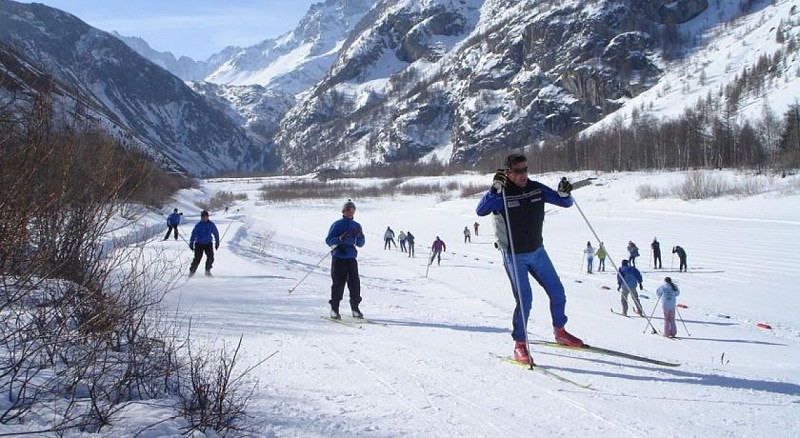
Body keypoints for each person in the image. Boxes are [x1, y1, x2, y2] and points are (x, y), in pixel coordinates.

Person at [476, 153, 583, 365]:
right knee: (525, 300)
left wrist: (564, 194)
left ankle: (560, 331)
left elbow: (565, 203)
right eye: (518, 171)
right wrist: (493, 190)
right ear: (507, 173)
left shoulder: (536, 188)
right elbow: (481, 210)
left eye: (525, 169)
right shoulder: (503, 195)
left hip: (537, 251)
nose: (523, 174)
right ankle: (520, 345)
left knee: (557, 292)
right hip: (514, 255)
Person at [325, 199, 365, 319]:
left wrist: (359, 237)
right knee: (338, 284)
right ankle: (334, 309)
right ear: (343, 211)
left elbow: (361, 243)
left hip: (351, 258)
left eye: (352, 209)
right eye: (348, 209)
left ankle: (355, 308)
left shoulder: (356, 226)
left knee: (355, 284)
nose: (350, 211)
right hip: (339, 257)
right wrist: (339, 239)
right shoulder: (337, 225)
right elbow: (328, 240)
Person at [188, 210, 220, 276]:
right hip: (199, 244)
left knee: (210, 257)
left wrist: (217, 242)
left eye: (205, 217)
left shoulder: (211, 224)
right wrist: (191, 243)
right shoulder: (198, 225)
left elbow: (216, 233)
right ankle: (192, 272)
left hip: (208, 243)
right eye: (202, 217)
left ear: (208, 217)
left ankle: (207, 270)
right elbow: (193, 235)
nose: (203, 219)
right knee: (197, 258)